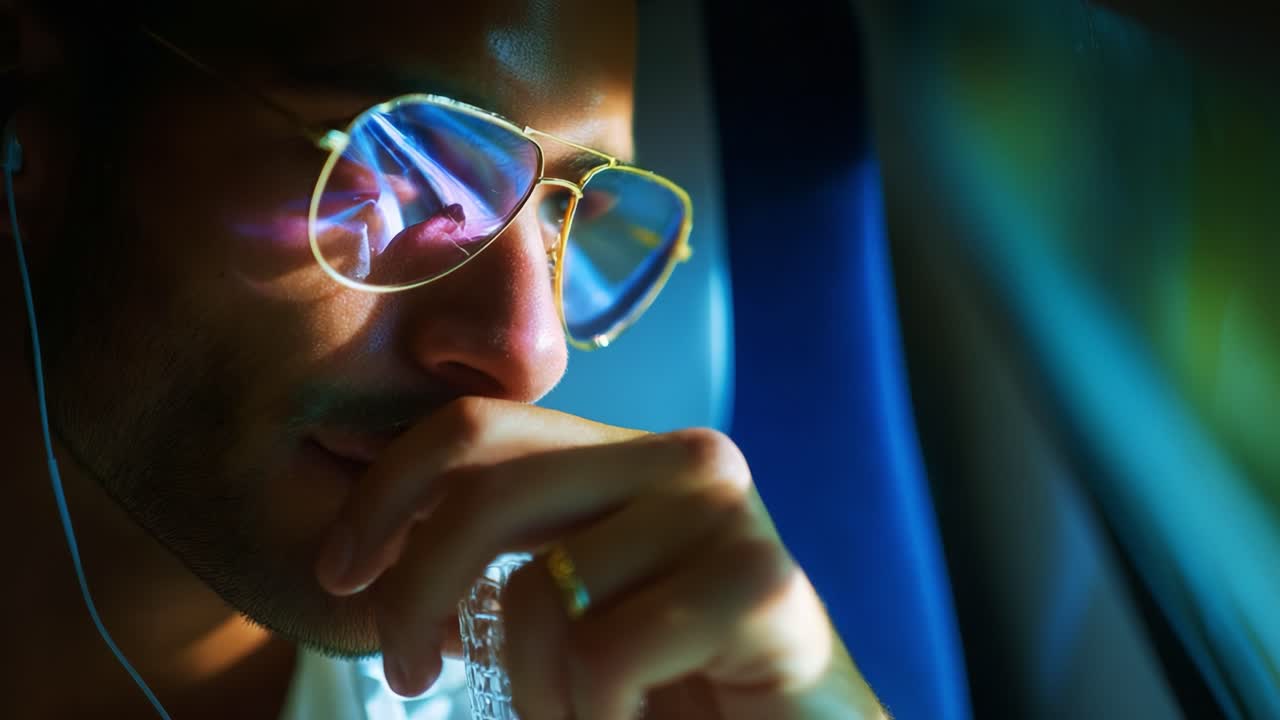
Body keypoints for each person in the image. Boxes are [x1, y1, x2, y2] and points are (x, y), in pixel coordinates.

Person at [1, 1, 884, 718]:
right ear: (27, 121)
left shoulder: (579, 684)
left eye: (579, 219)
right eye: (405, 170)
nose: (532, 356)